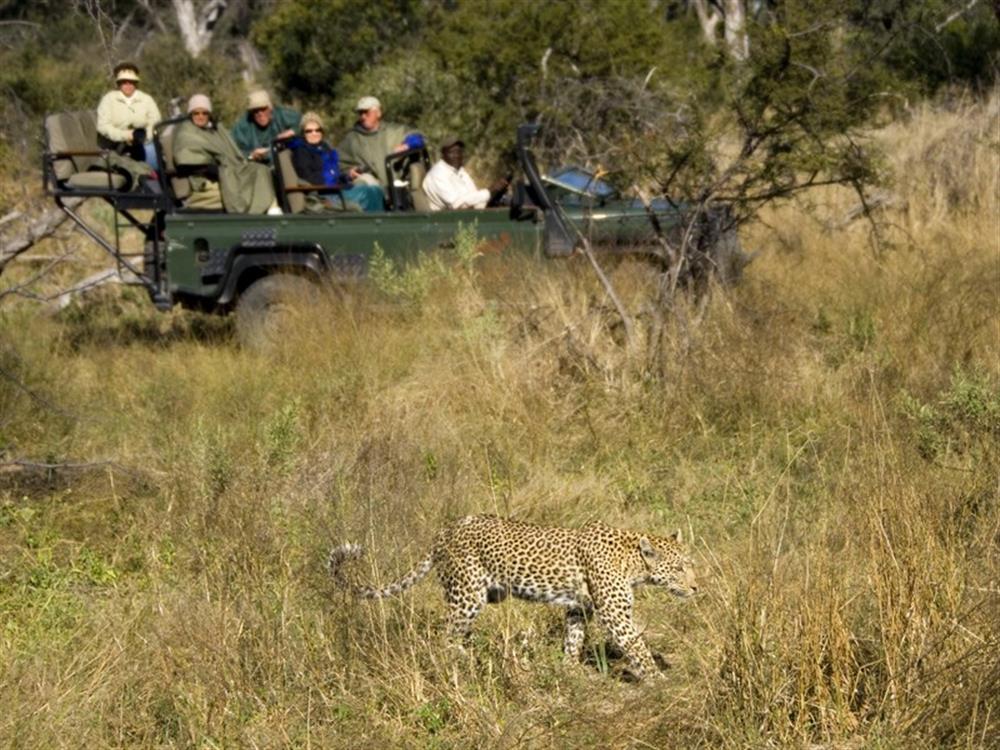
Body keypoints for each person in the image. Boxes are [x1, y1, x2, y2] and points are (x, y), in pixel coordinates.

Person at [172, 94, 279, 214]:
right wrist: (219, 170)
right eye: (196, 113)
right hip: (206, 177)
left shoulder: (215, 130)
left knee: (261, 169)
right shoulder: (186, 133)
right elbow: (185, 159)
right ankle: (257, 213)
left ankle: (269, 208)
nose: (200, 117)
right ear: (190, 114)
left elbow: (231, 153)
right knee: (243, 179)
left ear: (209, 114)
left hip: (228, 169)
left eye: (204, 113)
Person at [289, 111, 385, 212]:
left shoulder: (325, 148)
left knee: (376, 190)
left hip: (336, 190)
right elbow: (308, 177)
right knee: (366, 192)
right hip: (323, 196)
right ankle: (374, 224)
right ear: (303, 133)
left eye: (318, 130)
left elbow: (335, 175)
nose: (314, 133)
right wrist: (332, 179)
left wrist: (348, 176)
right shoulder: (301, 151)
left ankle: (379, 224)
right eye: (309, 131)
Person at [337, 96, 424, 192]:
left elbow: (418, 138)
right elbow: (338, 166)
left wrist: (407, 145)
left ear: (378, 113)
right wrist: (348, 174)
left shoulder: (395, 131)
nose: (363, 116)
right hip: (373, 192)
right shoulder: (351, 139)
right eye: (360, 113)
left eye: (366, 112)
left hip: (401, 189)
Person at [96, 61, 161, 168]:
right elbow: (103, 126)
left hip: (142, 142)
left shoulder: (146, 99)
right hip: (115, 145)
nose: (128, 85)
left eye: (131, 82)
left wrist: (145, 136)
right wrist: (126, 135)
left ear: (136, 83)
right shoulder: (108, 99)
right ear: (119, 83)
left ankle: (153, 179)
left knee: (151, 150)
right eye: (124, 82)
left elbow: (155, 119)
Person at [422, 136, 509, 211]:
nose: (457, 156)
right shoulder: (437, 175)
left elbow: (474, 197)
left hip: (468, 216)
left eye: (459, 152)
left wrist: (495, 193)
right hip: (448, 222)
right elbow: (457, 205)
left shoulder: (459, 171)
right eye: (452, 152)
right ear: (443, 154)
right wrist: (489, 191)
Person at [231, 89, 300, 164]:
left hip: (286, 162)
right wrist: (251, 156)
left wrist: (293, 131)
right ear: (250, 112)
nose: (260, 114)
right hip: (259, 169)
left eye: (263, 109)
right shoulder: (242, 127)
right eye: (255, 111)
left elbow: (307, 124)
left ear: (270, 108)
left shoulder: (282, 115)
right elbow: (236, 155)